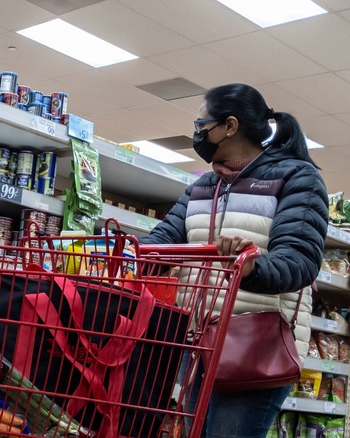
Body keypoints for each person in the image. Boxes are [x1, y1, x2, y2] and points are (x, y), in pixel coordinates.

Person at [140, 83, 329, 437]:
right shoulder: (204, 185)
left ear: (229, 126)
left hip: (255, 345)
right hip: (197, 343)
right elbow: (164, 239)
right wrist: (122, 252)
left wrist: (253, 266)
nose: (196, 134)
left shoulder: (296, 178)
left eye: (201, 125)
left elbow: (301, 259)